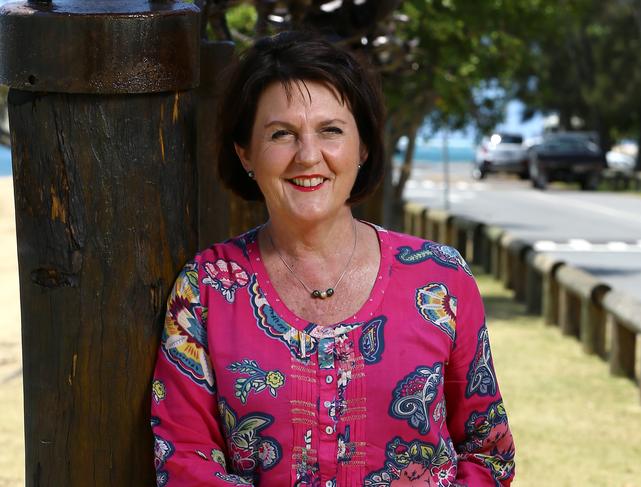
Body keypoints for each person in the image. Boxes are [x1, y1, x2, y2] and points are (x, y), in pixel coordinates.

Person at [151, 31, 515, 486]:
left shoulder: (440, 278)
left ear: (362, 147)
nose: (308, 156)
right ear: (245, 153)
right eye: (281, 133)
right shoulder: (205, 290)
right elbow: (184, 463)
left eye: (331, 131)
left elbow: (489, 452)